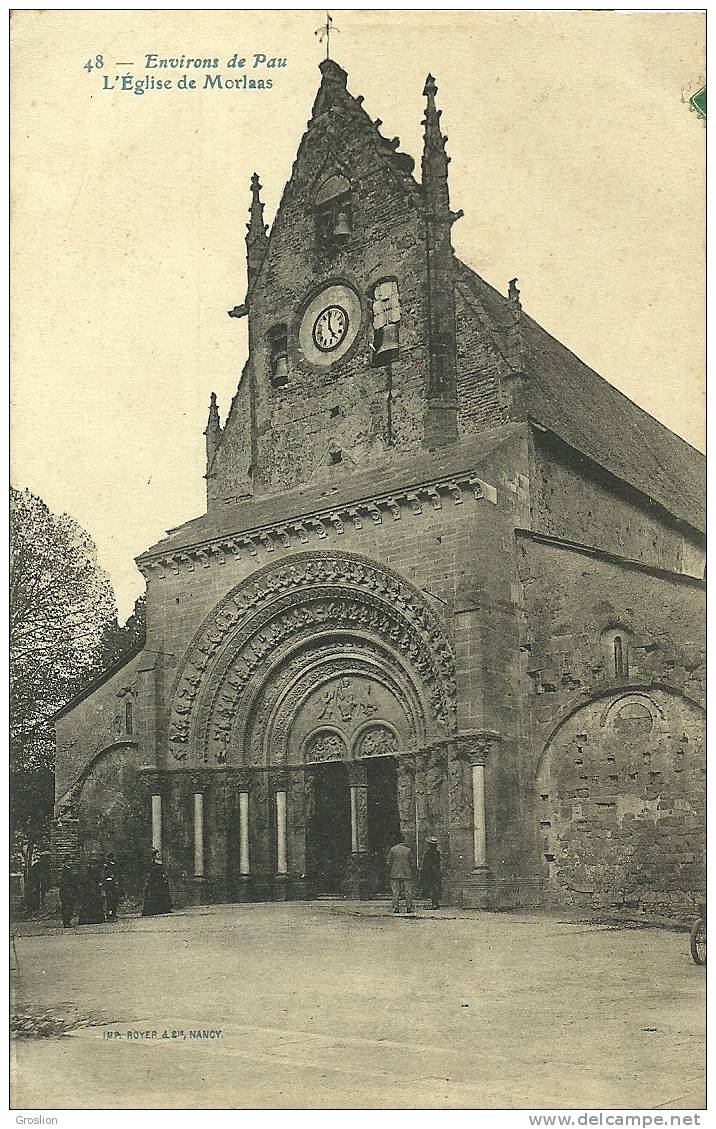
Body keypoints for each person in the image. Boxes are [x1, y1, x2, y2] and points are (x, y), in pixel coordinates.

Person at [386, 833, 415, 915]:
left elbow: (388, 862)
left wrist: (389, 870)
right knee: (408, 891)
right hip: (406, 872)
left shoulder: (392, 850)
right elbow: (412, 863)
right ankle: (409, 907)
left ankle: (396, 908)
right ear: (403, 840)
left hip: (395, 872)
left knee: (395, 891)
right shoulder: (408, 850)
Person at [142, 851, 172, 917]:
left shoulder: (159, 862)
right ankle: (152, 910)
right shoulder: (152, 863)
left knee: (162, 894)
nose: (159, 855)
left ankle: (163, 909)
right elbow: (152, 872)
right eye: (157, 854)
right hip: (154, 881)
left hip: (160, 880)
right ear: (154, 856)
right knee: (154, 895)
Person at [77, 859, 106, 925]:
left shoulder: (96, 871)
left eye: (94, 864)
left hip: (94, 890)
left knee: (95, 903)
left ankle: (96, 918)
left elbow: (98, 879)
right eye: (92, 864)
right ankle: (89, 919)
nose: (93, 866)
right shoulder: (88, 872)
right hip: (89, 891)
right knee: (88, 904)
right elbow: (85, 881)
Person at [420, 836, 443, 909]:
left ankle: (434, 904)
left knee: (431, 887)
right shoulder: (437, 853)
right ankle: (435, 903)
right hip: (436, 872)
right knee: (436, 887)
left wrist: (422, 870)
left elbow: (426, 863)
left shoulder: (428, 853)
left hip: (429, 873)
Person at [102, 854, 122, 922]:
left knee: (115, 899)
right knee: (109, 899)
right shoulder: (106, 866)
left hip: (114, 884)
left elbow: (116, 874)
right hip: (108, 885)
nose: (110, 859)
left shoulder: (114, 865)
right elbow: (104, 875)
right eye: (109, 858)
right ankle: (108, 914)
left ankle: (114, 913)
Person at [58, 861, 77, 928]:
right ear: (66, 862)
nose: (71, 862)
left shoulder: (69, 870)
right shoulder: (64, 871)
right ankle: (66, 922)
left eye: (71, 861)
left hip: (70, 892)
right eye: (69, 861)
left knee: (70, 907)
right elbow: (63, 882)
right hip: (65, 893)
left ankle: (68, 921)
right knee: (66, 907)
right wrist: (68, 889)